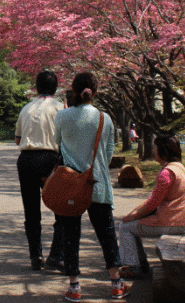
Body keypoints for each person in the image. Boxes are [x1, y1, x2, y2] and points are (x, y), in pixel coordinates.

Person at [54, 72, 129, 302]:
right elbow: (108, 152)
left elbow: (58, 144)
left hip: (70, 186)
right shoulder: (105, 119)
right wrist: (95, 169)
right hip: (97, 184)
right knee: (106, 234)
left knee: (70, 235)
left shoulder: (62, 116)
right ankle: (116, 283)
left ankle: (74, 286)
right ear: (95, 93)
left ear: (74, 91)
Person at [118, 135, 185, 278]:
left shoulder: (166, 173)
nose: (153, 151)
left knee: (125, 227)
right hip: (182, 221)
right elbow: (153, 202)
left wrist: (131, 216)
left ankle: (134, 267)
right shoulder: (180, 168)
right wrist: (134, 215)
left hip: (171, 222)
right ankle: (140, 264)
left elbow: (152, 204)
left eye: (155, 148)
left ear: (163, 152)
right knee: (131, 224)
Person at [14, 70, 65, 271]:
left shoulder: (26, 108)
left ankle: (35, 255)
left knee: (31, 210)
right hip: (50, 159)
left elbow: (17, 139)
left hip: (26, 159)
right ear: (56, 87)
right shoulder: (61, 109)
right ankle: (56, 254)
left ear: (36, 86)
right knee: (61, 209)